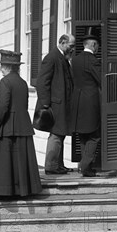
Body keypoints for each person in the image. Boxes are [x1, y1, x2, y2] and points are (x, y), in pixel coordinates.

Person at [0, 50, 42, 198]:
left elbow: (3, 107)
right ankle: (22, 190)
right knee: (20, 160)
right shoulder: (23, 83)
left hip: (7, 127)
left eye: (2, 65)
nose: (1, 68)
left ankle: (2, 191)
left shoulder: (5, 82)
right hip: (23, 126)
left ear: (8, 67)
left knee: (4, 161)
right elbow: (24, 104)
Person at [34, 34, 76, 175]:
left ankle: (59, 164)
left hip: (61, 104)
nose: (73, 49)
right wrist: (46, 104)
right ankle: (51, 166)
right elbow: (41, 82)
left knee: (61, 134)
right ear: (62, 43)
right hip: (55, 105)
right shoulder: (52, 58)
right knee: (56, 135)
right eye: (71, 46)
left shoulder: (62, 58)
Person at [70, 30, 102, 177]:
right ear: (93, 45)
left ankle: (86, 168)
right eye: (97, 46)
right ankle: (85, 165)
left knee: (83, 135)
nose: (97, 49)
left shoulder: (74, 60)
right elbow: (101, 80)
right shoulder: (93, 61)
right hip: (91, 102)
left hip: (77, 102)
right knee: (94, 135)